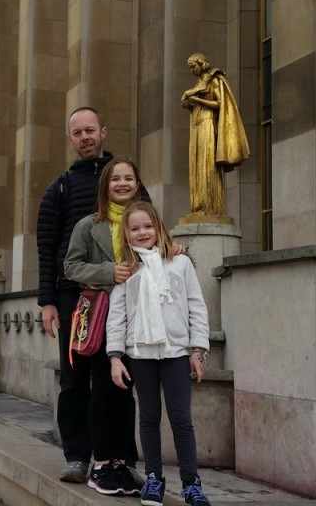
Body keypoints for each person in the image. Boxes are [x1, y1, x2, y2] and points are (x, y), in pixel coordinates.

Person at [35, 106, 148, 485]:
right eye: (77, 132)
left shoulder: (127, 179)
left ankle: (121, 457)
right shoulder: (60, 187)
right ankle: (78, 456)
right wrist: (47, 301)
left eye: (90, 131)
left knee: (118, 378)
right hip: (75, 297)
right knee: (74, 379)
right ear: (70, 138)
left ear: (104, 132)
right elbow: (48, 246)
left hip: (123, 295)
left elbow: (149, 227)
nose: (84, 137)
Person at [106, 201, 211, 506]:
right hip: (140, 355)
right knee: (149, 416)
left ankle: (191, 483)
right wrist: (115, 356)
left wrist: (197, 350)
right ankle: (154, 477)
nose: (142, 233)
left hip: (176, 353)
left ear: (159, 228)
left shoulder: (180, 264)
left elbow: (196, 307)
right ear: (126, 234)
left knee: (181, 417)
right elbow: (117, 316)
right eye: (135, 228)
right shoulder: (126, 271)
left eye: (148, 226)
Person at [63, 156, 145, 496]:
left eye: (128, 178)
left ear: (137, 185)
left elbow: (164, 254)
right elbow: (71, 267)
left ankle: (125, 463)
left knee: (127, 392)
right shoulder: (88, 224)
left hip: (138, 317)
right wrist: (108, 272)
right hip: (101, 316)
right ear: (105, 186)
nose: (122, 183)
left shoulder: (145, 222)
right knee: (103, 390)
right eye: (115, 179)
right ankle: (101, 462)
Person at [180, 52, 249, 218]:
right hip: (196, 126)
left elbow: (220, 103)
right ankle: (198, 206)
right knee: (197, 164)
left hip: (208, 124)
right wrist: (188, 102)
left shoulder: (214, 80)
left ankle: (210, 206)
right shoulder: (199, 83)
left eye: (193, 66)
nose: (191, 70)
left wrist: (197, 100)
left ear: (201, 63)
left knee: (207, 164)